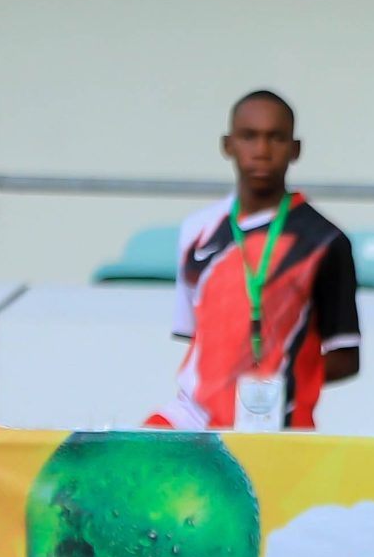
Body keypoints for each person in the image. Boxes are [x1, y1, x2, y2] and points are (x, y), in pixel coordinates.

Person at [147, 91, 360, 432]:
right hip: (192, 418)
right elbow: (195, 339)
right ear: (227, 145)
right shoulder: (196, 230)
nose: (261, 151)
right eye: (249, 136)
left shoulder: (325, 241)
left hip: (278, 423)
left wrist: (279, 381)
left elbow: (346, 355)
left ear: (295, 149)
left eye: (275, 137)